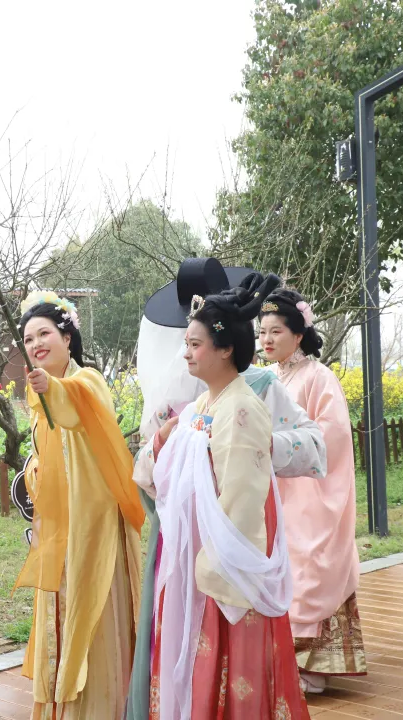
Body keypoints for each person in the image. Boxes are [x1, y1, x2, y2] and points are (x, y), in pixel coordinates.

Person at [128, 259, 326, 719]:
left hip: (224, 551)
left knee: (227, 662)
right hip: (191, 542)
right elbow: (156, 470)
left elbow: (245, 497)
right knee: (191, 653)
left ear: (225, 346)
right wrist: (161, 444)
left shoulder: (248, 398)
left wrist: (257, 447)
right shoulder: (202, 400)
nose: (185, 352)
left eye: (195, 342)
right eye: (185, 339)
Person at [15, 291, 145, 719]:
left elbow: (76, 405)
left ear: (68, 338)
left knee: (94, 617)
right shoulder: (40, 397)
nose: (36, 344)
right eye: (29, 338)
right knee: (62, 614)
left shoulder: (87, 381)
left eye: (44, 334)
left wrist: (51, 388)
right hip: (59, 525)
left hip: (94, 524)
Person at [259, 288, 367, 693]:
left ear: (298, 334)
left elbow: (331, 437)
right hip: (273, 487)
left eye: (276, 331)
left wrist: (283, 448)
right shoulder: (266, 377)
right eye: (262, 332)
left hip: (308, 491)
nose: (267, 339)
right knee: (276, 570)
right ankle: (282, 663)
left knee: (310, 565)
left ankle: (312, 666)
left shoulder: (319, 377)